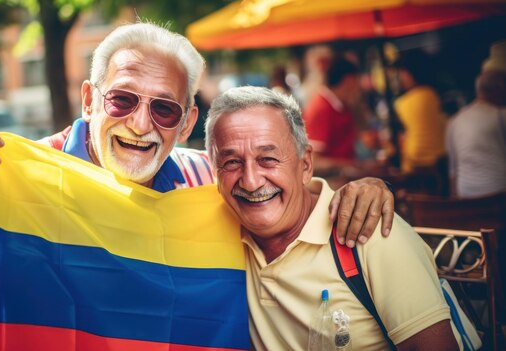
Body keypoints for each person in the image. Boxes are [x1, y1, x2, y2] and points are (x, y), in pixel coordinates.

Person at [0, 22, 394, 350]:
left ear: (186, 122)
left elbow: (281, 187)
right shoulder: (8, 182)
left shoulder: (208, 179)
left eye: (164, 108)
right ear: (90, 100)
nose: (141, 124)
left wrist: (360, 190)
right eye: (122, 100)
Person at [205, 86, 459, 350]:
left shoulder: (368, 230)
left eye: (268, 159)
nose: (251, 181)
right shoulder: (218, 233)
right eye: (232, 162)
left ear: (305, 166)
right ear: (215, 172)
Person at [446, 40, 506, 198]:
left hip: (467, 204)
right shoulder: (500, 115)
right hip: (497, 204)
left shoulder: (455, 121)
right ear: (500, 88)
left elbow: (453, 174)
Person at [302, 56, 366, 178]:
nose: (359, 88)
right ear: (349, 81)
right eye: (357, 82)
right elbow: (314, 161)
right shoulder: (320, 108)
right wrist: (357, 166)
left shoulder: (342, 105)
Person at [393, 50, 448, 175]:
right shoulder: (435, 95)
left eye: (402, 73)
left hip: (414, 164)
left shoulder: (401, 103)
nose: (401, 77)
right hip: (439, 161)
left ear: (410, 73)